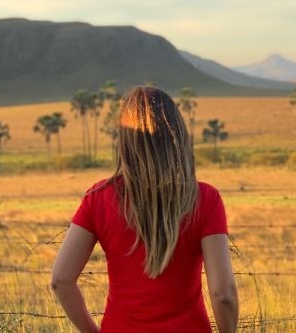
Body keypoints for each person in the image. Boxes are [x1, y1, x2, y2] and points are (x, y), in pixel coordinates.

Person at [51, 87, 238, 332]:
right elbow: (223, 293)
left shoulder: (98, 198)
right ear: (177, 134)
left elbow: (61, 281)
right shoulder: (204, 198)